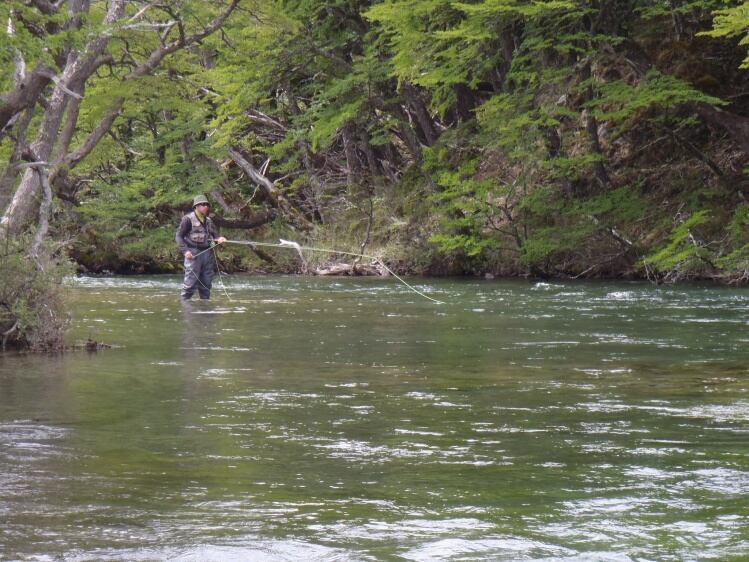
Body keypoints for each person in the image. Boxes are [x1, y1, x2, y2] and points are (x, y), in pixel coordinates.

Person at [175, 194, 227, 300]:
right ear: (196, 206)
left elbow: (215, 236)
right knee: (190, 284)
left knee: (206, 284)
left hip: (208, 254)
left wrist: (220, 239)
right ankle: (185, 306)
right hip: (193, 254)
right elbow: (179, 236)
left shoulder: (208, 221)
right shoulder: (187, 219)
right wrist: (185, 251)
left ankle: (205, 308)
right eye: (203, 204)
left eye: (207, 205)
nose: (206, 207)